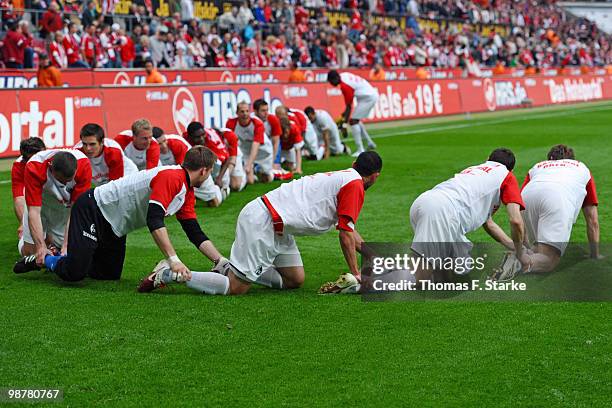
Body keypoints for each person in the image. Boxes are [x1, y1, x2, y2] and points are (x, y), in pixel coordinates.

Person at [138, 151, 383, 296]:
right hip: (265, 220)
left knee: (294, 280)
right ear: (375, 177)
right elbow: (345, 235)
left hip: (279, 224)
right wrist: (355, 272)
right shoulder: (354, 185)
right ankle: (169, 275)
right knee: (236, 288)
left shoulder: (346, 178)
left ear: (354, 165)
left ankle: (231, 268)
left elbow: (350, 232)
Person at [14, 147, 229, 285]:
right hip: (94, 209)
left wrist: (219, 261)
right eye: (210, 172)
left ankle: (69, 259)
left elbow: (194, 231)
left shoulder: (185, 190)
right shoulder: (172, 177)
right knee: (74, 273)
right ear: (204, 170)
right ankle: (46, 259)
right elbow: (154, 220)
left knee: (107, 275)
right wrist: (173, 260)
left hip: (116, 225)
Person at [409, 148, 525, 282]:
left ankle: (399, 274)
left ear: (488, 159)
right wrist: (520, 250)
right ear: (511, 169)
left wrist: (512, 246)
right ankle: (389, 281)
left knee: (460, 271)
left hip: (425, 203)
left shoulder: (475, 170)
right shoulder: (506, 176)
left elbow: (489, 224)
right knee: (423, 276)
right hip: (442, 212)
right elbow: (516, 220)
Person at [496, 145, 601, 280]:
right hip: (557, 197)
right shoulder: (581, 167)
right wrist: (595, 253)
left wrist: (524, 244)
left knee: (536, 249)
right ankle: (518, 261)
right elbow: (592, 219)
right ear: (571, 159)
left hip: (527, 196)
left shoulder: (538, 166)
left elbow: (521, 203)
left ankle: (522, 255)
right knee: (549, 260)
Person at [17, 149, 92, 263]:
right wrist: (40, 247)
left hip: (63, 208)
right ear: (51, 168)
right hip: (40, 204)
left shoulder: (84, 165)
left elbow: (75, 210)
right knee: (31, 252)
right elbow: (34, 211)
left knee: (72, 249)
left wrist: (66, 245)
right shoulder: (34, 166)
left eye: (69, 180)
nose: (66, 185)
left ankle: (51, 243)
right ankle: (29, 238)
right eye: (62, 181)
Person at [154, 126, 225, 208]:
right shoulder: (150, 149)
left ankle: (218, 189)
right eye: (159, 144)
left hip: (195, 173)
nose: (164, 146)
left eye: (164, 141)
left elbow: (183, 171)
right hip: (176, 177)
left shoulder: (177, 143)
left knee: (214, 203)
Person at [327, 70, 378, 157]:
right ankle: (369, 143)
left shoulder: (345, 86)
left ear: (335, 78)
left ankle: (360, 150)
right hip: (367, 94)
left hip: (368, 97)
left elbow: (349, 106)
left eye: (331, 81)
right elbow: (348, 107)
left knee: (353, 121)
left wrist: (344, 124)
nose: (331, 84)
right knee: (356, 120)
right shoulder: (344, 76)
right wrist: (343, 117)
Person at [184, 122, 245, 193]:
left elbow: (227, 159)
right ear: (190, 136)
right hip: (215, 155)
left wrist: (219, 178)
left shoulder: (212, 141)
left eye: (203, 135)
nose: (201, 139)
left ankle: (244, 175)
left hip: (229, 153)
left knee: (235, 186)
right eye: (197, 137)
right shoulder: (184, 140)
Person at [225, 101, 274, 184]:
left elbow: (256, 145)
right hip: (246, 151)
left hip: (263, 151)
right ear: (237, 113)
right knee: (250, 181)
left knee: (267, 179)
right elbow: (229, 142)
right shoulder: (231, 123)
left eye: (247, 111)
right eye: (242, 111)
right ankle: (252, 171)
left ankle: (271, 172)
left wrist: (249, 164)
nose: (245, 114)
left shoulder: (257, 123)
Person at [11, 137, 46, 238]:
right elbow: (19, 196)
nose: (37, 161)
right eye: (32, 159)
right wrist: (23, 223)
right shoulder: (19, 166)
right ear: (24, 159)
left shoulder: (56, 160)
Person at [252, 99, 281, 166]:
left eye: (267, 110)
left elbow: (276, 142)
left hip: (270, 144)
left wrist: (273, 161)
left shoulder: (273, 120)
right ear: (255, 111)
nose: (266, 113)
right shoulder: (250, 121)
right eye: (263, 111)